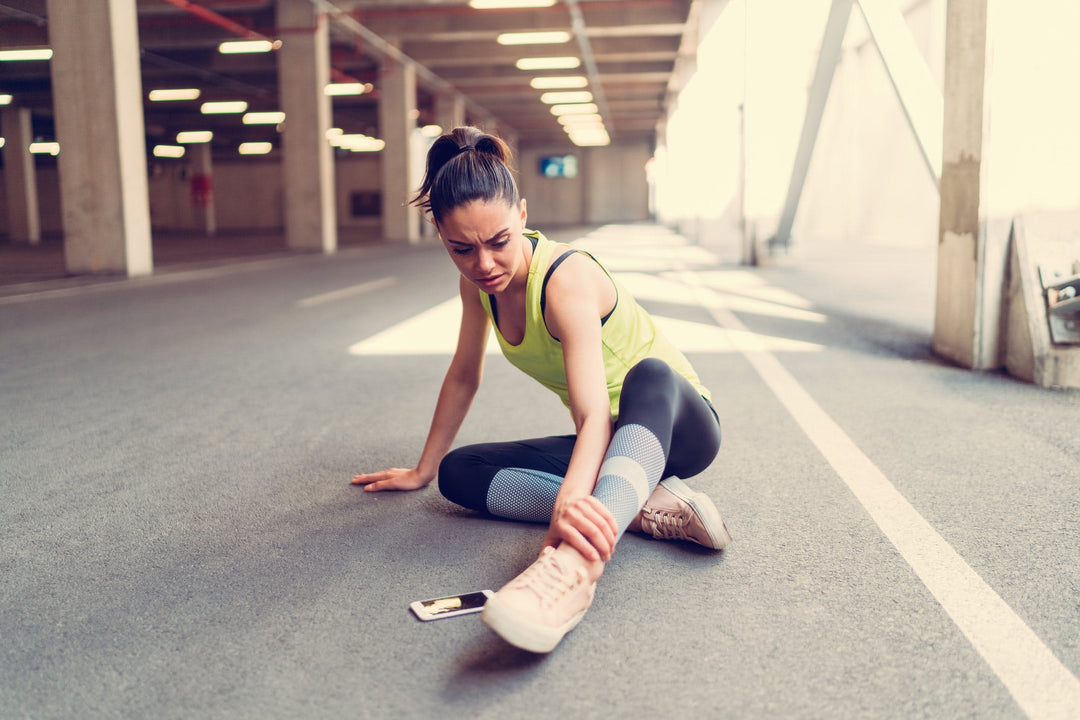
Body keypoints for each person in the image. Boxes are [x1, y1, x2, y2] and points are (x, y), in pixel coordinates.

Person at [352, 126, 730, 654]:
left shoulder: (565, 279)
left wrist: (570, 502)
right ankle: (634, 504)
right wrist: (423, 468)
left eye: (499, 242)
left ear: (522, 216)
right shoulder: (477, 286)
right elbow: (464, 372)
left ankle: (575, 569)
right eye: (462, 248)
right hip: (606, 441)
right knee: (459, 474)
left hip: (674, 425)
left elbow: (594, 414)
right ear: (440, 234)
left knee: (651, 373)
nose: (483, 264)